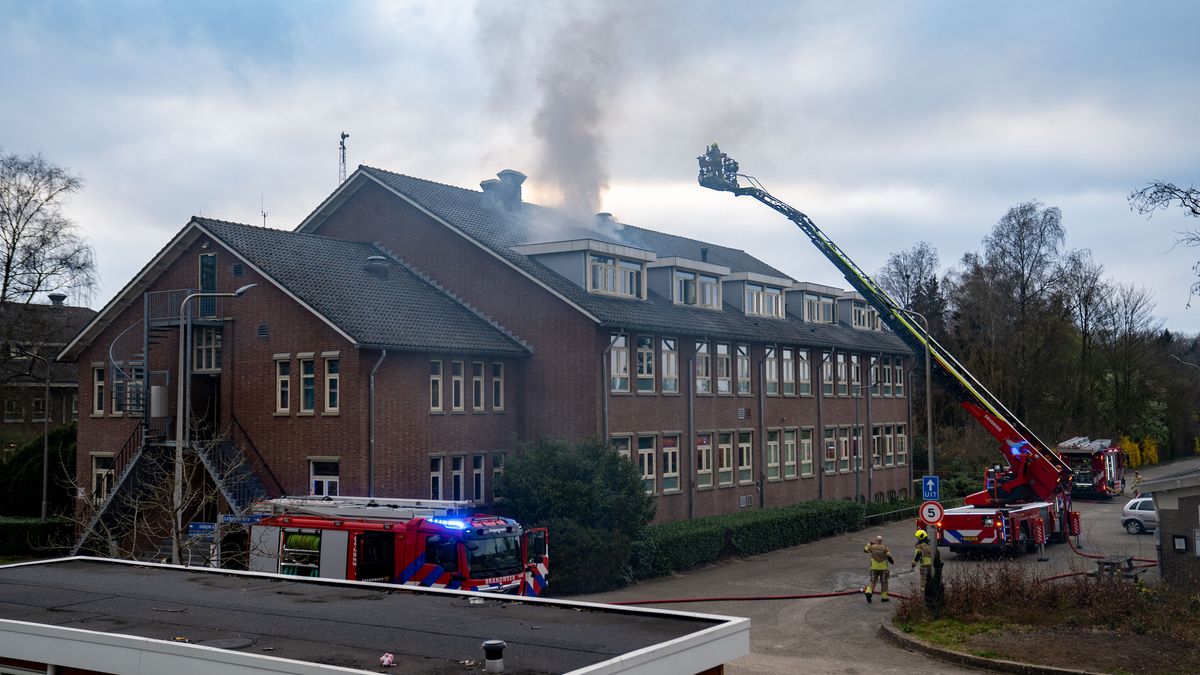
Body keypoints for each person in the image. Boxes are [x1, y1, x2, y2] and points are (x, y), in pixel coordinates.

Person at [863, 535, 893, 603]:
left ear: (876, 540)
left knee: (872, 581)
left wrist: (869, 544)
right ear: (882, 541)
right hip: (883, 568)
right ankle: (884, 597)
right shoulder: (885, 548)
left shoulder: (872, 547)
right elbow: (889, 556)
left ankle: (868, 592)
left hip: (874, 567)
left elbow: (865, 550)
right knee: (884, 582)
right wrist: (892, 561)